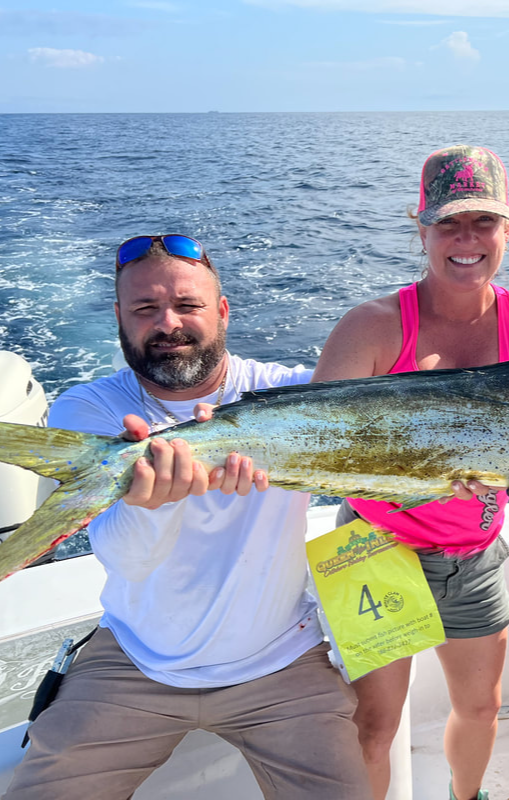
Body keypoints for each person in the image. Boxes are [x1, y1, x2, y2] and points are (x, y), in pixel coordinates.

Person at [3, 234, 370, 800]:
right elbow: (126, 557)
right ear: (120, 319)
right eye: (145, 309)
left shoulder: (291, 392)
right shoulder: (89, 409)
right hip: (135, 661)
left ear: (222, 312)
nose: (168, 324)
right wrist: (155, 506)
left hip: (284, 665)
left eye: (187, 306)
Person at [312, 145, 509, 800]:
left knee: (482, 708)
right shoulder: (370, 328)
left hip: (474, 551)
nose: (466, 239)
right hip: (371, 545)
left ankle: (467, 797)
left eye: (484, 222)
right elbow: (318, 456)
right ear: (420, 228)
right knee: (374, 721)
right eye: (448, 222)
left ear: (508, 230)